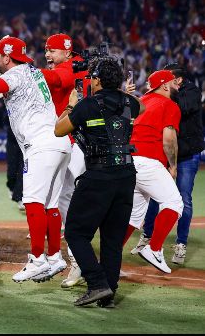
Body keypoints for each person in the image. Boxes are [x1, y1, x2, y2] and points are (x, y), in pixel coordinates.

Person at [0, 36, 71, 283]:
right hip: (60, 142)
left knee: (32, 201)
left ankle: (36, 259)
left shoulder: (15, 73)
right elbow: (0, 89)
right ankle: (54, 257)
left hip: (41, 145)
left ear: (6, 57)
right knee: (51, 205)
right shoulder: (32, 71)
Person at [54, 57, 141, 308]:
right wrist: (122, 92)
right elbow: (140, 106)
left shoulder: (87, 105)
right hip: (126, 175)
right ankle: (109, 294)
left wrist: (71, 106)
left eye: (93, 78)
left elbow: (59, 130)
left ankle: (96, 283)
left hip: (99, 175)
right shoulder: (129, 102)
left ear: (97, 80)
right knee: (112, 239)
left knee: (75, 232)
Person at [137, 63, 203, 266]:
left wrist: (153, 96)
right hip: (160, 157)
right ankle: (151, 243)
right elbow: (167, 135)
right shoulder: (167, 102)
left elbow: (184, 107)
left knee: (181, 200)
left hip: (180, 155)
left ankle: (180, 244)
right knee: (167, 201)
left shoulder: (188, 93)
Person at [39, 33, 89, 288]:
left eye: (53, 51)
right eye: (46, 50)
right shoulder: (74, 67)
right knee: (60, 199)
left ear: (67, 53)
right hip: (64, 140)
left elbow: (56, 79)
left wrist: (23, 70)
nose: (48, 55)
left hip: (76, 142)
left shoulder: (69, 69)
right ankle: (67, 257)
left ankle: (77, 259)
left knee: (68, 198)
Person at [123, 70, 184, 274]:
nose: (177, 86)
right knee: (174, 203)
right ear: (164, 85)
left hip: (130, 160)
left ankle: (108, 260)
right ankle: (154, 248)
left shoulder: (140, 101)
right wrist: (173, 166)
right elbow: (168, 139)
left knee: (132, 216)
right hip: (149, 161)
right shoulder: (169, 105)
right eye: (174, 83)